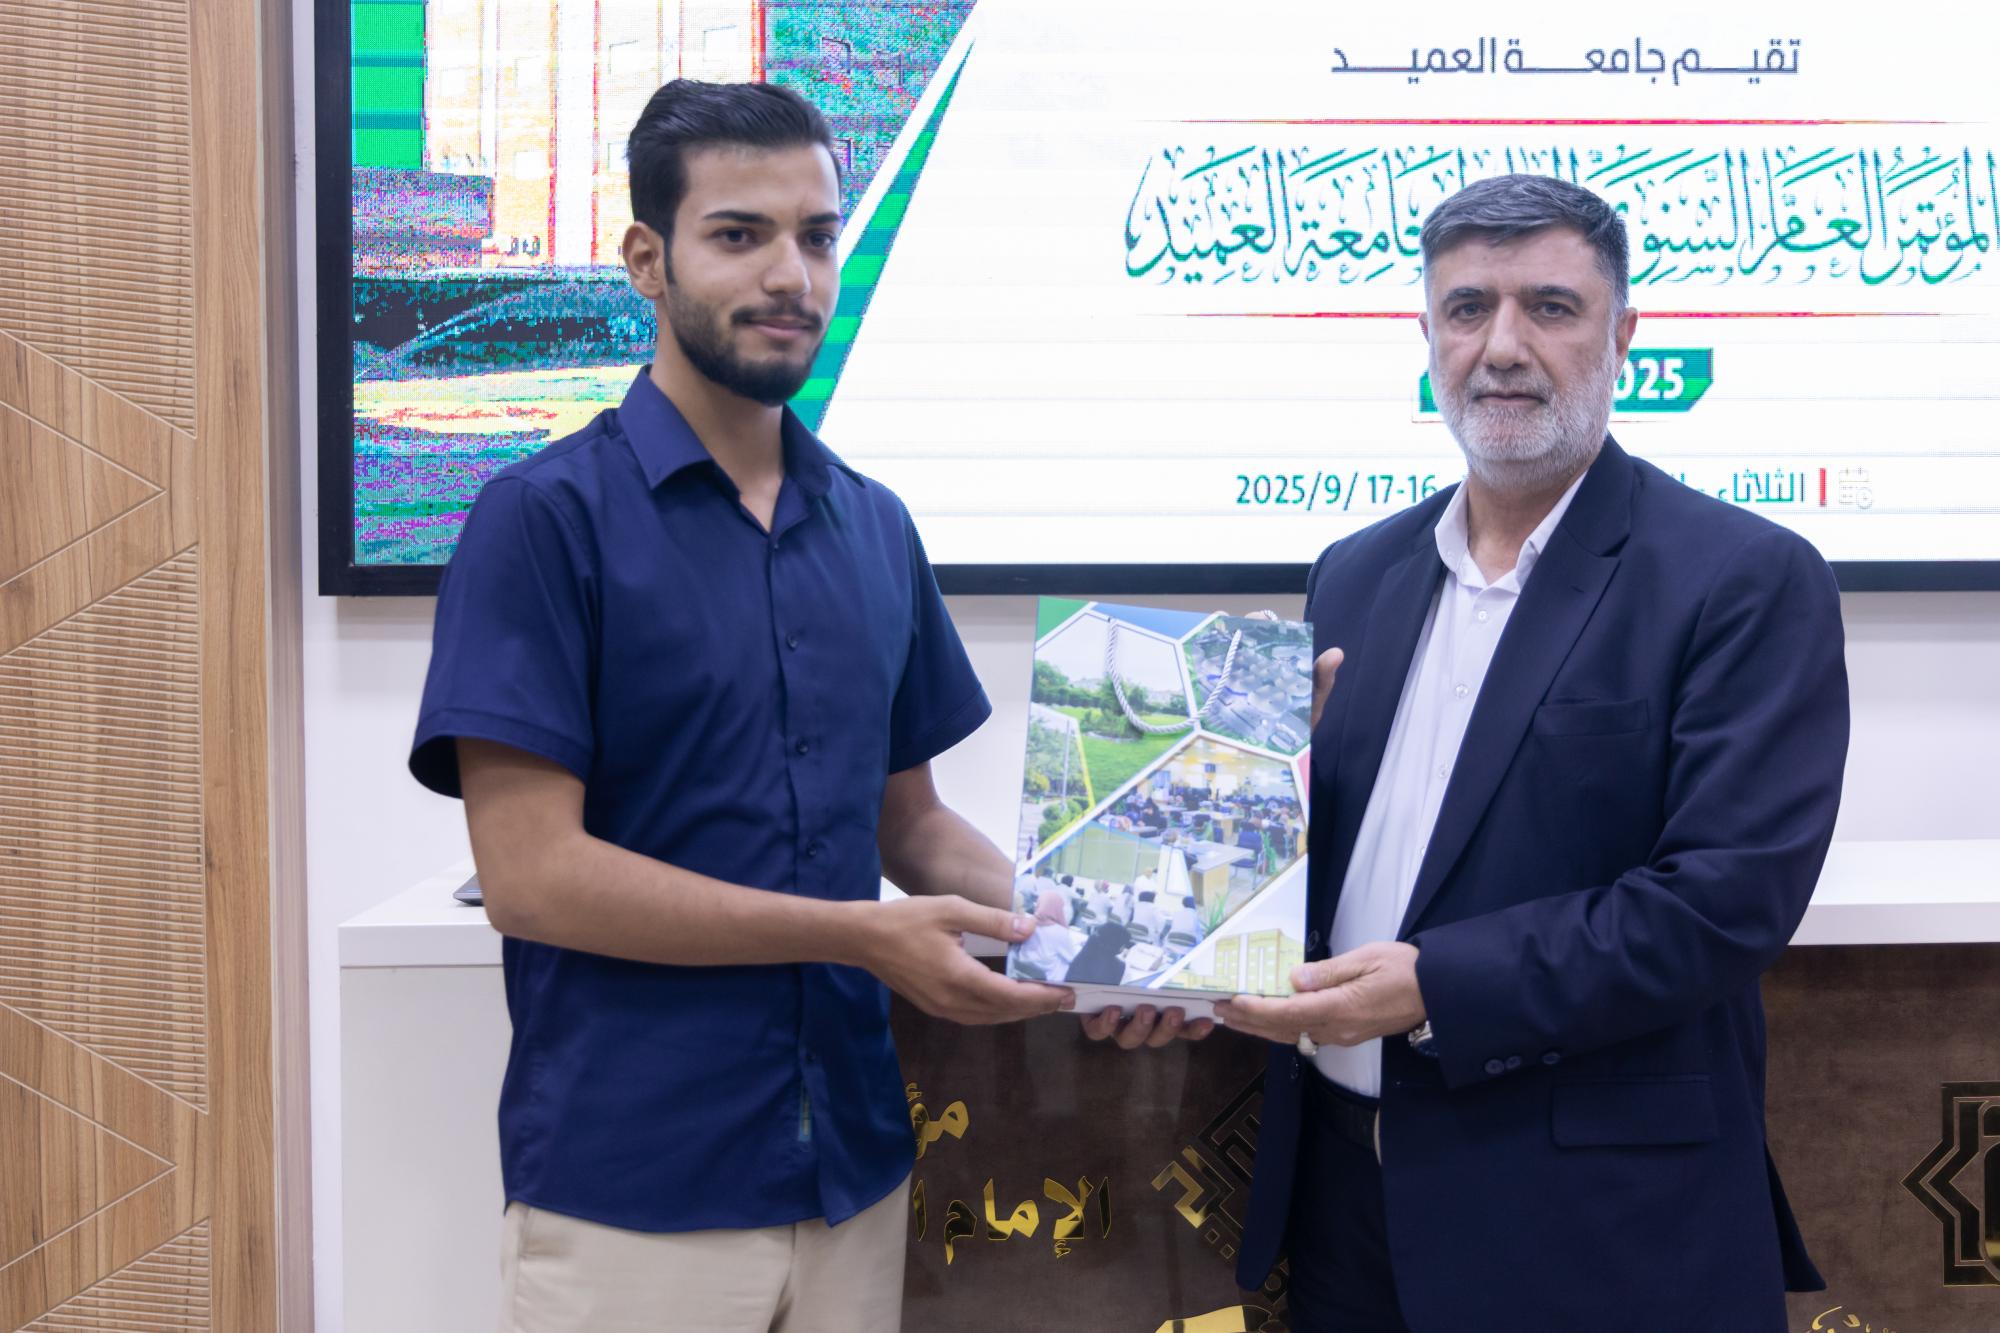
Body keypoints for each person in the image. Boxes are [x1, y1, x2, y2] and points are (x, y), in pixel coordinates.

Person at [408, 80, 1065, 1333]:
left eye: (816, 236)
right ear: (645, 260)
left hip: (854, 1176)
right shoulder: (540, 522)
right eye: (738, 234)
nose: (788, 275)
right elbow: (532, 877)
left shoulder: (874, 525)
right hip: (631, 1194)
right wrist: (856, 936)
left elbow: (911, 827)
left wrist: (1087, 935)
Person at [1217, 175, 1847, 1331]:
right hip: (1343, 1202)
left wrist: (1434, 986)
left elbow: (1719, 905)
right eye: (1466, 309)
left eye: (1549, 307)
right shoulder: (1352, 572)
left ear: (1622, 335)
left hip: (1591, 1225)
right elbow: (1319, 868)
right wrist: (1178, 954)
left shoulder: (1741, 577)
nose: (1500, 347)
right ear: (1426, 335)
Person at [1014, 888, 1082, 981]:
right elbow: (1072, 958)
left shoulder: (1027, 923)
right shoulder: (1060, 932)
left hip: (1023, 972)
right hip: (1048, 979)